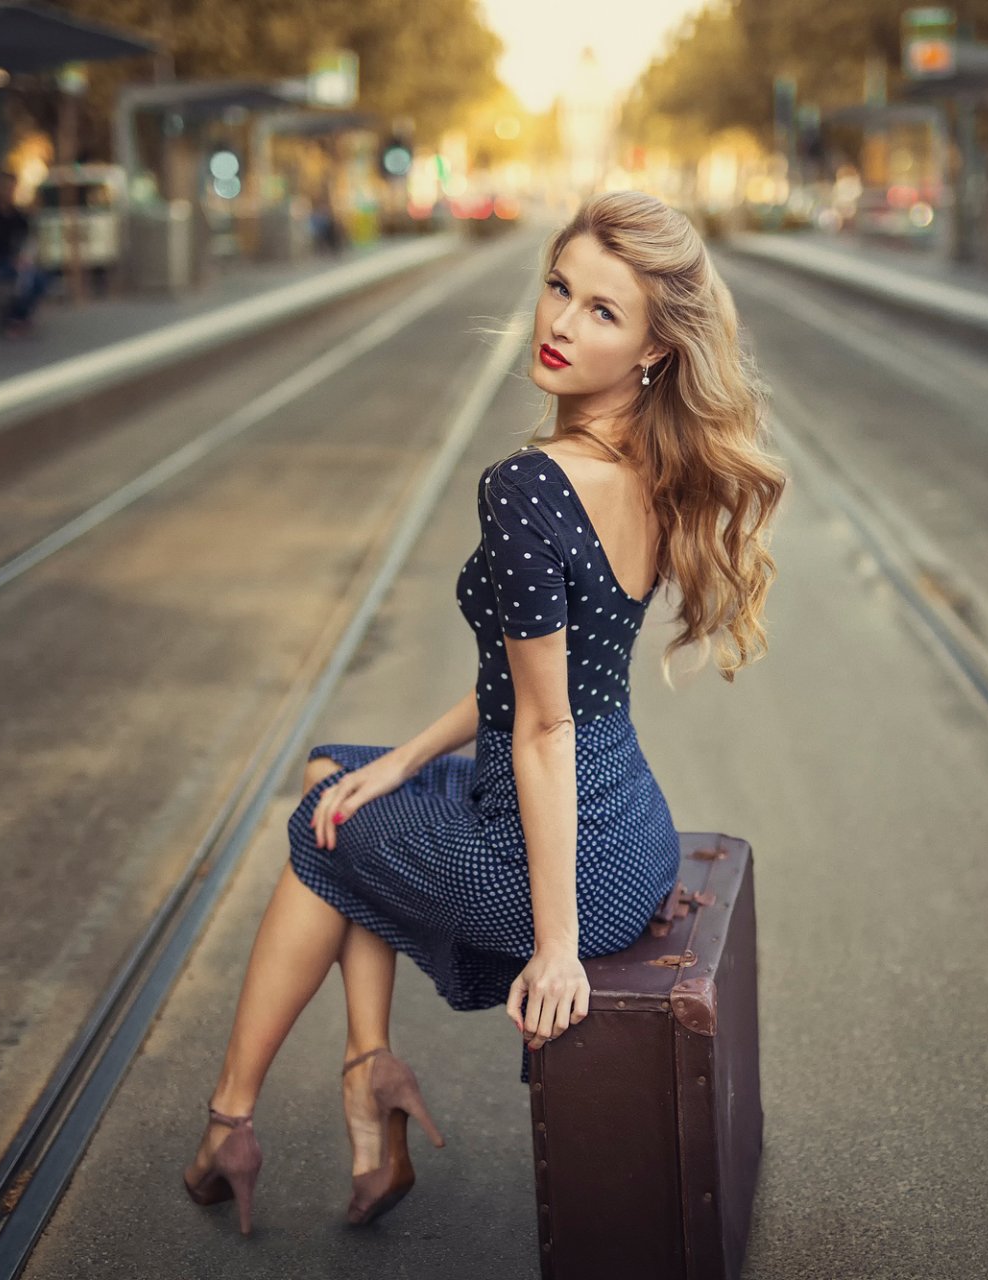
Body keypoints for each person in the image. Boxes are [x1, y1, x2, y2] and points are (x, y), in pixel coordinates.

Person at [179, 190, 787, 1236]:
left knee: (318, 821)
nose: (559, 322)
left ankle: (234, 1118)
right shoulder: (647, 464)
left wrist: (556, 948)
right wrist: (407, 755)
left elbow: (542, 730)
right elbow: (540, 685)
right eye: (559, 287)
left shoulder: (528, 487)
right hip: (626, 829)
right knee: (349, 769)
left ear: (652, 349)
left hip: (556, 858)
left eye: (604, 311)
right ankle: (370, 1076)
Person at [0, 175, 47, 336]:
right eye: (7, 188)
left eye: (12, 189)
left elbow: (26, 228)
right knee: (24, 279)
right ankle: (14, 319)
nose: (9, 192)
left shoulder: (14, 212)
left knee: (38, 279)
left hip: (13, 260)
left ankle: (18, 316)